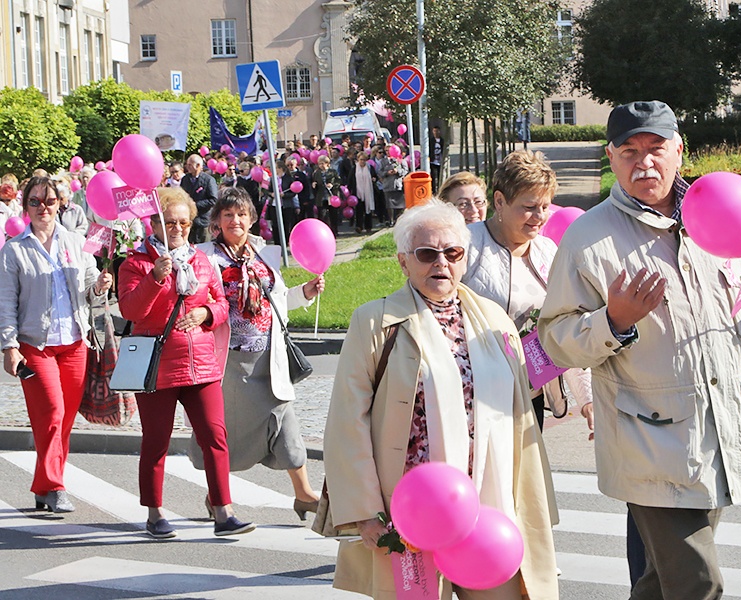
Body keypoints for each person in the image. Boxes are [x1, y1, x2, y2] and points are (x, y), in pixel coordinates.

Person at [538, 100, 741, 599]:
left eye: (655, 149)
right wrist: (614, 321)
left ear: (679, 150)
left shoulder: (720, 211)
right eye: (629, 151)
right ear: (611, 158)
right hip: (647, 442)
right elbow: (555, 339)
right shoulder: (589, 238)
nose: (643, 162)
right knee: (698, 583)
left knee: (659, 582)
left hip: (717, 429)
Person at [323, 200, 559, 599]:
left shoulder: (494, 321)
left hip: (489, 503)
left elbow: (520, 417)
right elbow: (348, 421)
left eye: (452, 253)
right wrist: (365, 512)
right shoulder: (374, 322)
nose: (441, 263)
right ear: (403, 261)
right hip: (411, 512)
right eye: (427, 253)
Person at [117, 187, 256, 539]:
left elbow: (222, 304)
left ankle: (223, 510)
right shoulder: (137, 263)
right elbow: (131, 311)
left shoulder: (200, 261)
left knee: (215, 436)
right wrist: (154, 278)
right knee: (156, 441)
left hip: (200, 363)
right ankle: (154, 512)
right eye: (169, 222)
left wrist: (205, 312)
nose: (177, 228)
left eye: (183, 222)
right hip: (157, 365)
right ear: (155, 223)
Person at [188, 188, 324, 521]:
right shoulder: (205, 256)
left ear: (251, 219)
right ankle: (216, 495)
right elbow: (193, 299)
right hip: (227, 361)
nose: (236, 220)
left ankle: (304, 493)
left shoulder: (264, 254)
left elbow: (277, 301)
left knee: (283, 415)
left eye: (242, 214)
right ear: (217, 221)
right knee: (224, 429)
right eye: (229, 215)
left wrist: (304, 293)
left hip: (267, 355)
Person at [0, 176, 113, 513]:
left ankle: (43, 484)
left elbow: (91, 290)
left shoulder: (76, 242)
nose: (42, 208)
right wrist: (9, 346)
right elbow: (6, 302)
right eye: (35, 202)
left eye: (48, 202)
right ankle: (55, 486)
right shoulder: (14, 249)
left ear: (60, 204)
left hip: (75, 343)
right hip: (36, 345)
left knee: (63, 421)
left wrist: (102, 284)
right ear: (25, 206)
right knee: (51, 413)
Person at [461, 150, 592, 431]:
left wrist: (587, 399)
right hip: (475, 398)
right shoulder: (465, 246)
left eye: (545, 206)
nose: (540, 216)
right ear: (500, 201)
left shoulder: (548, 250)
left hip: (530, 398)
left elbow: (564, 325)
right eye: (530, 206)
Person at [180, 154, 218, 243]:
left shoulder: (208, 180)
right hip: (189, 220)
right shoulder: (185, 179)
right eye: (187, 164)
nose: (187, 167)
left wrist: (194, 205)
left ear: (198, 166)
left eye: (190, 165)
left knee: (204, 247)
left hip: (203, 221)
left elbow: (213, 200)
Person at [377, 145, 408, 226]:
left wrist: (397, 171)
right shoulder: (383, 161)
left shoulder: (400, 160)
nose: (388, 152)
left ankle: (398, 219)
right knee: (389, 204)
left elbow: (406, 170)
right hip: (387, 185)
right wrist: (387, 173)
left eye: (389, 150)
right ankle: (391, 220)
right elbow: (379, 172)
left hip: (398, 184)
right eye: (386, 151)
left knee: (400, 204)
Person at [311, 154, 341, 237]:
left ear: (327, 163)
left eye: (322, 163)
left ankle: (334, 231)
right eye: (319, 163)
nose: (321, 165)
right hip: (321, 197)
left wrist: (332, 185)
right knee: (322, 215)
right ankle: (323, 233)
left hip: (331, 197)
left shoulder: (333, 171)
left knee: (333, 215)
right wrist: (314, 184)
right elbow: (314, 182)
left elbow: (339, 181)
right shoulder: (317, 173)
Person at [348, 152, 377, 234]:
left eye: (364, 160)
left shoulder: (369, 168)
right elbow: (350, 180)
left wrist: (374, 179)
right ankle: (359, 226)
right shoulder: (354, 169)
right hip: (358, 192)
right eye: (361, 160)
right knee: (359, 210)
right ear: (358, 160)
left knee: (368, 210)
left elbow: (375, 176)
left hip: (368, 192)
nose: (362, 162)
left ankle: (368, 226)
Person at [428, 125, 445, 194]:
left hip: (440, 161)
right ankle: (434, 190)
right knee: (433, 176)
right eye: (434, 131)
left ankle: (440, 189)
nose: (436, 133)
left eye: (437, 131)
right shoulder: (431, 141)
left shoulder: (442, 140)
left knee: (440, 175)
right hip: (433, 161)